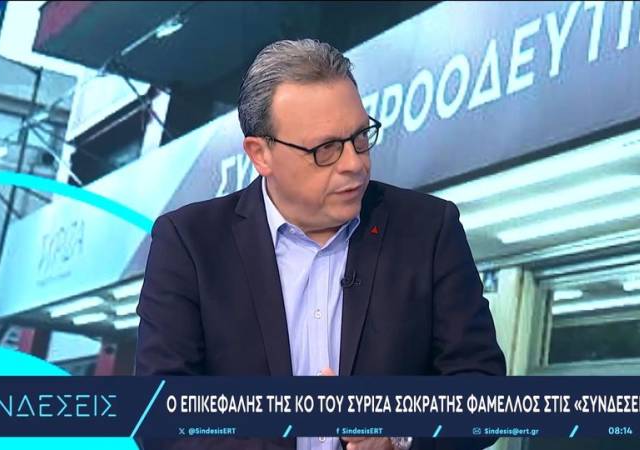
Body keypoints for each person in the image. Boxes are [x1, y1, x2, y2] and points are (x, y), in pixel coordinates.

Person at [136, 39, 506, 450]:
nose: (355, 163)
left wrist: (399, 436)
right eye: (326, 149)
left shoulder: (429, 229)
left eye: (360, 137)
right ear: (260, 154)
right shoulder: (189, 243)